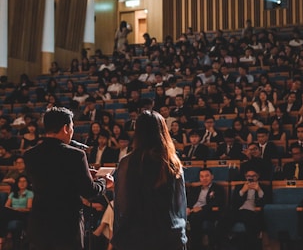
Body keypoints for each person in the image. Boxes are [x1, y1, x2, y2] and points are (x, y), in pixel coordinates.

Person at [23, 107, 114, 250]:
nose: (72, 131)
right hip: (66, 224)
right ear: (66, 128)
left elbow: (50, 177)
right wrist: (104, 181)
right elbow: (89, 191)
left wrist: (80, 172)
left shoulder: (30, 155)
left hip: (39, 223)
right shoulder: (76, 155)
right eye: (72, 127)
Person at [112, 110, 187, 250]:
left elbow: (121, 204)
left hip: (136, 234)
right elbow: (179, 203)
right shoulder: (172, 161)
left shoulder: (127, 162)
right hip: (168, 232)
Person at [186, 168, 225, 250]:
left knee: (196, 217)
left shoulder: (218, 189)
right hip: (193, 212)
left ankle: (195, 246)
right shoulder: (195, 189)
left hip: (208, 212)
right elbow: (189, 201)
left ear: (212, 177)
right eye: (202, 176)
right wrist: (188, 208)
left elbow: (217, 203)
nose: (204, 178)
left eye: (207, 176)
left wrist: (201, 208)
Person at [0, 175, 33, 249]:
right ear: (17, 183)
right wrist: (13, 209)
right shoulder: (13, 193)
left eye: (24, 181)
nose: (22, 183)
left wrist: (17, 209)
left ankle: (2, 237)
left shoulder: (29, 193)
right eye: (20, 181)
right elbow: (6, 206)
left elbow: (29, 208)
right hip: (12, 212)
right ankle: (2, 237)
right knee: (3, 210)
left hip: (23, 213)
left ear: (27, 183)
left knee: (3, 212)